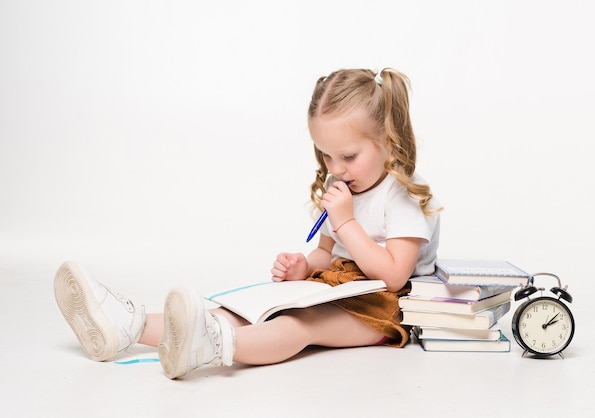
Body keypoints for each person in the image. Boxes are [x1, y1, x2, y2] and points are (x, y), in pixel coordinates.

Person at [54, 68, 441, 379]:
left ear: (388, 142)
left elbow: (393, 275)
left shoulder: (404, 191)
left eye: (348, 156)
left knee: (299, 325)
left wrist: (347, 221)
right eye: (325, 156)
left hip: (386, 306)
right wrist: (305, 266)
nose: (335, 169)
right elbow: (328, 253)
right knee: (246, 312)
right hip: (334, 286)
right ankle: (128, 325)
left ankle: (213, 348)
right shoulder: (343, 185)